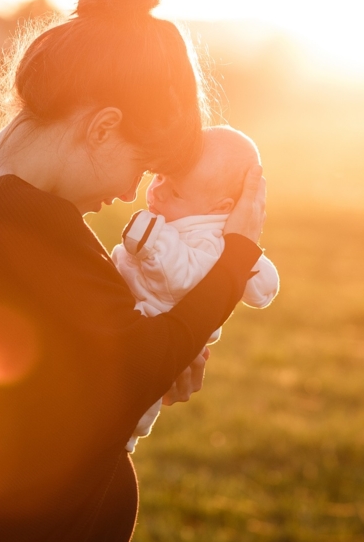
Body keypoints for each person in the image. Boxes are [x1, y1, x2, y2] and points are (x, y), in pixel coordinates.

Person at [0, 0, 267, 542]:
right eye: (140, 166)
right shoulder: (27, 220)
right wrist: (235, 258)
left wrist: (112, 371)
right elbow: (135, 368)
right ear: (100, 127)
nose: (131, 193)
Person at [111, 126, 280, 452]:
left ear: (220, 207)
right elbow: (258, 283)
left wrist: (152, 240)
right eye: (159, 177)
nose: (157, 192)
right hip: (137, 329)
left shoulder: (207, 241)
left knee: (118, 421)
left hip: (153, 338)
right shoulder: (207, 229)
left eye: (174, 192)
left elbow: (182, 278)